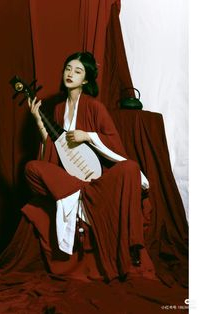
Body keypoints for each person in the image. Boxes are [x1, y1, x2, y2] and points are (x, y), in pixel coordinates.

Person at [25, 51, 151, 281]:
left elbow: (116, 146)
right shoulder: (57, 109)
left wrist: (88, 136)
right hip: (72, 179)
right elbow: (54, 152)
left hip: (98, 180)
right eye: (68, 69)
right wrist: (38, 121)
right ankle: (77, 195)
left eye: (78, 71)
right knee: (32, 167)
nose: (70, 74)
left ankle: (79, 198)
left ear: (85, 80)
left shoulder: (95, 107)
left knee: (130, 168)